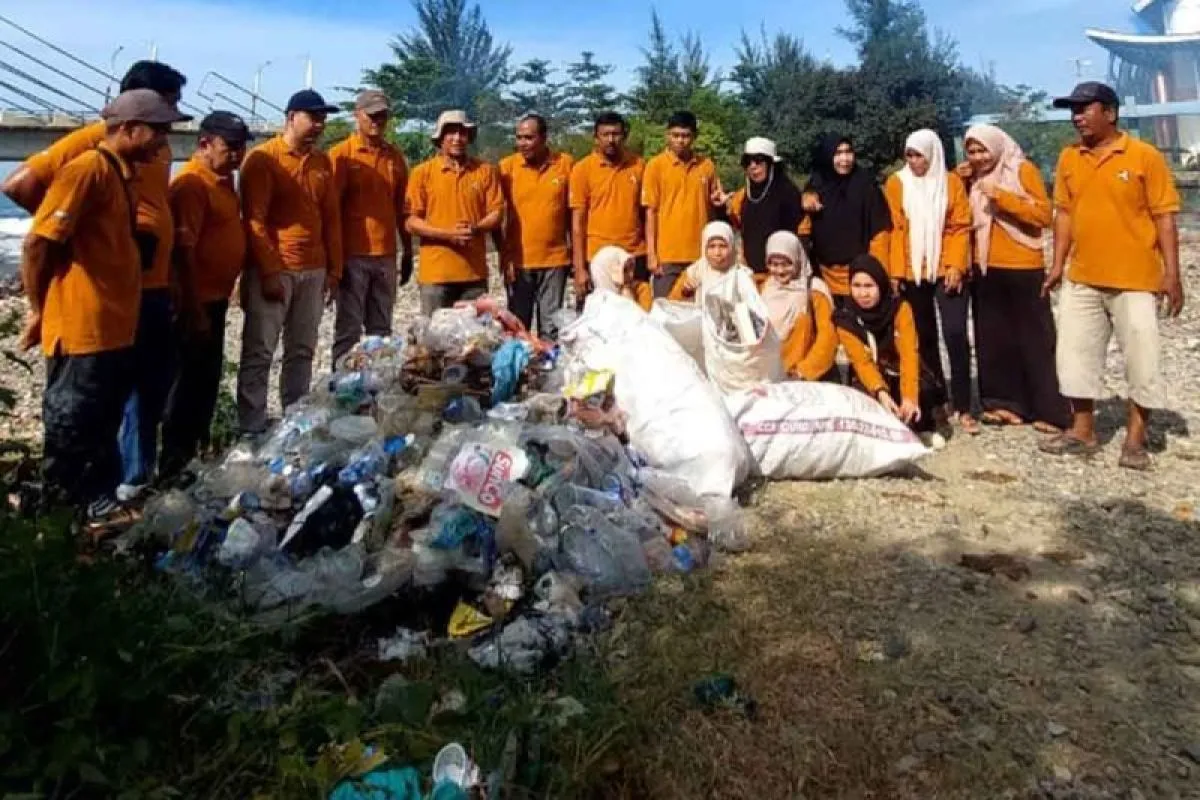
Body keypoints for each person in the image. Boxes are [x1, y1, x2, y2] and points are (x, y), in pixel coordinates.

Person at [1, 60, 188, 501]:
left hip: (123, 313)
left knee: (119, 409)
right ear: (130, 123)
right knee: (75, 427)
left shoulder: (125, 167)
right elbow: (37, 237)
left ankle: (112, 499)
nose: (166, 138)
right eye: (161, 122)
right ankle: (66, 526)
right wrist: (43, 300)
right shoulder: (90, 163)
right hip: (88, 323)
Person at [1040, 82, 1183, 470]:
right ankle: (1082, 431)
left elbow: (1164, 217)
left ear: (1111, 113)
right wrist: (1057, 265)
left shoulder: (1143, 156)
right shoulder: (1069, 157)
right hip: (1083, 276)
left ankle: (1135, 442)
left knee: (1142, 359)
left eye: (1086, 108)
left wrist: (1173, 274)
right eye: (1074, 109)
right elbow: (1064, 214)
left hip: (1135, 278)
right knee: (1074, 357)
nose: (1077, 116)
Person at [238, 89, 343, 436]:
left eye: (322, 120)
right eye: (312, 118)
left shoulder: (321, 163)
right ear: (291, 117)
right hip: (277, 267)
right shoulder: (264, 160)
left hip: (313, 270)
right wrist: (268, 271)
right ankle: (252, 425)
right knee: (260, 350)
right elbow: (254, 220)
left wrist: (334, 270)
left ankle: (294, 418)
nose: (318, 125)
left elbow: (331, 219)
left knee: (302, 348)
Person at [958, 123, 1070, 433]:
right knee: (994, 340)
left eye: (983, 150)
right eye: (973, 151)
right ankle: (1003, 404)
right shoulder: (972, 178)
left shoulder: (1022, 170)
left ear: (997, 147)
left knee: (1035, 340)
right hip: (985, 267)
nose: (979, 157)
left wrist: (1002, 198)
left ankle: (1049, 408)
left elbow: (1043, 216)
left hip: (1023, 266)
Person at [158, 112, 251, 479]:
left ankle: (192, 456)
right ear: (205, 144)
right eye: (229, 148)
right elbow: (183, 252)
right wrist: (193, 307)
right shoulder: (193, 184)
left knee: (204, 383)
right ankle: (173, 464)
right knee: (185, 387)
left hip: (215, 300)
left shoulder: (223, 182)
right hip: (194, 302)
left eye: (241, 148)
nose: (237, 156)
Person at [884, 129, 975, 433]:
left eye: (918, 155)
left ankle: (964, 405)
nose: (912, 161)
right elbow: (895, 230)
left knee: (954, 333)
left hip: (945, 268)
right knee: (922, 337)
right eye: (908, 155)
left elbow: (960, 227)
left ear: (932, 154)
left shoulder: (950, 183)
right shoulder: (897, 183)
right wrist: (896, 273)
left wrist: (956, 265)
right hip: (912, 271)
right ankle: (937, 397)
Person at [329, 90, 413, 364]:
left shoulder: (394, 158)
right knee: (349, 331)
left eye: (382, 116)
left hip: (385, 256)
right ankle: (340, 388)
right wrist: (335, 260)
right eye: (372, 115)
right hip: (353, 255)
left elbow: (402, 207)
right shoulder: (341, 156)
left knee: (382, 332)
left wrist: (408, 250)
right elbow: (331, 210)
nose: (377, 121)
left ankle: (376, 389)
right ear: (357, 116)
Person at [405, 109, 504, 316]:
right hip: (436, 275)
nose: (457, 138)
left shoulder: (485, 171)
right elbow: (412, 221)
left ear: (469, 137)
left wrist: (475, 228)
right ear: (440, 138)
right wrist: (448, 235)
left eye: (462, 132)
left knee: (475, 340)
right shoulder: (422, 173)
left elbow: (496, 213)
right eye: (450, 132)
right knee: (434, 337)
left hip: (473, 274)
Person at [835, 255, 946, 436]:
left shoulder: (900, 309)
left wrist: (910, 397)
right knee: (865, 409)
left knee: (922, 404)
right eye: (857, 286)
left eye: (869, 286)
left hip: (899, 371)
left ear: (881, 285)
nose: (863, 294)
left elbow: (909, 354)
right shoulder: (846, 318)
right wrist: (880, 392)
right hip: (871, 378)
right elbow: (861, 362)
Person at [497, 113, 574, 338]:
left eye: (529, 138)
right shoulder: (506, 168)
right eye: (519, 137)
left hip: (555, 260)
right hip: (519, 262)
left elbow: (573, 213)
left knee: (551, 326)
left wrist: (575, 258)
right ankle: (520, 371)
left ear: (544, 138)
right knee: (517, 326)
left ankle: (547, 371)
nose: (523, 143)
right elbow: (495, 214)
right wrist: (505, 255)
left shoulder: (565, 164)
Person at [802, 134, 892, 301]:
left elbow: (880, 232)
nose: (844, 159)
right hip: (824, 276)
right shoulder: (816, 186)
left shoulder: (866, 186)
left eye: (848, 152)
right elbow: (803, 231)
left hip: (861, 279)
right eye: (837, 153)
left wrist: (877, 273)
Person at [570, 112, 646, 302]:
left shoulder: (639, 166)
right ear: (596, 137)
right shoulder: (582, 169)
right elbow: (577, 222)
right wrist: (579, 268)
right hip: (597, 256)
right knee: (599, 317)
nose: (611, 140)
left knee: (636, 316)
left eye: (616, 134)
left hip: (634, 253)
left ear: (624, 136)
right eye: (605, 135)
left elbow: (647, 213)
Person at [642, 111, 720, 297]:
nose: (680, 140)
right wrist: (652, 254)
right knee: (666, 310)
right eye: (675, 135)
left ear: (694, 137)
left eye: (685, 136)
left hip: (700, 254)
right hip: (667, 254)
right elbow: (650, 212)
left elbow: (714, 204)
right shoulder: (655, 166)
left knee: (699, 311)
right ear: (667, 135)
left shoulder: (706, 166)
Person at [716, 137, 802, 273]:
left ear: (771, 164)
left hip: (781, 273)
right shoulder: (744, 194)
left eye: (758, 161)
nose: (752, 166)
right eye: (747, 162)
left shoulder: (789, 194)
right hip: (750, 271)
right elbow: (737, 227)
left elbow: (800, 234)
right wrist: (722, 208)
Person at [760, 230, 838, 381]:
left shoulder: (814, 291)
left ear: (797, 260)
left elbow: (827, 338)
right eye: (774, 264)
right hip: (770, 377)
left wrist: (803, 371)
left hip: (802, 379)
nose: (780, 271)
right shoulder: (766, 288)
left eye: (786, 264)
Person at [667, 221, 744, 302]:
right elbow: (672, 304)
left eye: (722, 246)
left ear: (731, 247)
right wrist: (686, 293)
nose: (717, 253)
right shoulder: (694, 273)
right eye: (712, 246)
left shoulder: (741, 274)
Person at [588, 245, 653, 311]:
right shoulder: (595, 305)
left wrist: (629, 296)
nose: (631, 275)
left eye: (631, 268)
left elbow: (644, 317)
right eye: (624, 270)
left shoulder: (641, 290)